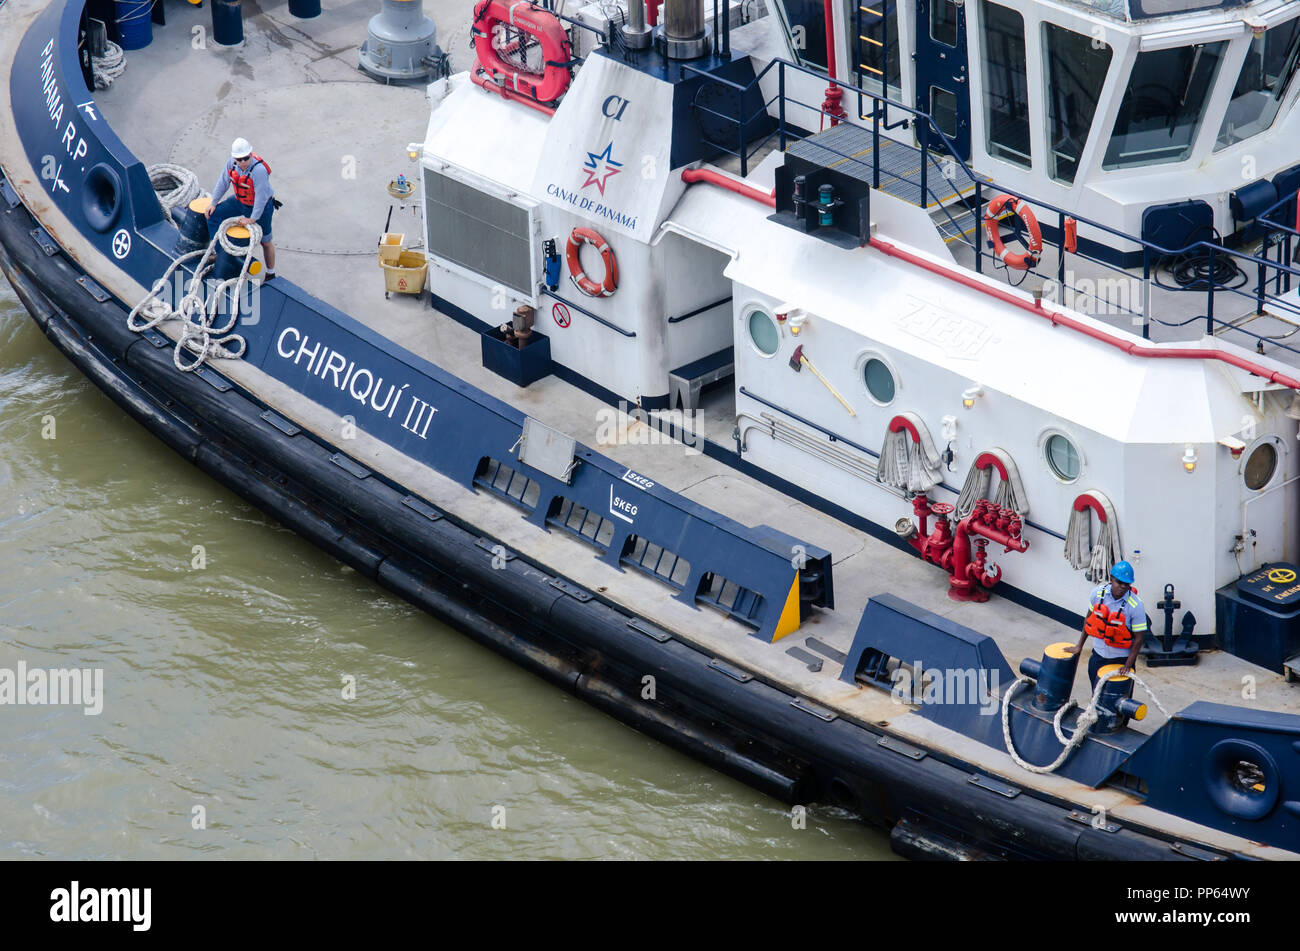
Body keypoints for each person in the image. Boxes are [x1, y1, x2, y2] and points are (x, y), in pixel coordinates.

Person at [1064, 560, 1148, 691]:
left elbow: (1139, 639)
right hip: (1097, 656)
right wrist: (1079, 646)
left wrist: (1128, 665)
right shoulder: (1097, 594)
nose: (1123, 587)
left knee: (1118, 702)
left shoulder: (1135, 606)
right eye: (1119, 582)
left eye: (1127, 584)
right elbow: (1089, 620)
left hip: (1120, 660)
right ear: (1111, 579)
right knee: (1096, 694)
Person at [205, 137, 277, 280]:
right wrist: (213, 203)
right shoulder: (231, 164)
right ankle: (222, 253)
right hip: (239, 203)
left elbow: (261, 198)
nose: (243, 162)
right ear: (234, 158)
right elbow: (223, 182)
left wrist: (252, 218)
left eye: (246, 158)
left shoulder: (259, 171)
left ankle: (271, 273)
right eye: (239, 159)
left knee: (265, 241)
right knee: (213, 216)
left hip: (261, 209)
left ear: (251, 154)